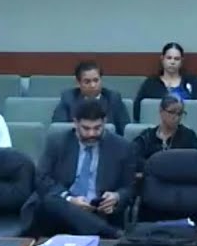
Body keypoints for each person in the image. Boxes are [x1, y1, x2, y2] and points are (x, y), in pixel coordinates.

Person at [21, 99, 136, 238]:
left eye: (97, 128)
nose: (91, 134)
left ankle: (101, 229)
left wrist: (116, 197)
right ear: (75, 123)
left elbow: (129, 187)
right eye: (86, 128)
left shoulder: (122, 147)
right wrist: (70, 199)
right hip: (57, 214)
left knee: (59, 203)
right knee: (51, 200)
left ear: (105, 122)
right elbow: (42, 179)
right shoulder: (57, 142)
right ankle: (110, 234)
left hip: (98, 212)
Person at [133, 42, 197, 124]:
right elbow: (137, 110)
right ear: (162, 59)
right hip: (156, 125)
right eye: (169, 58)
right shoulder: (151, 83)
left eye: (176, 59)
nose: (172, 62)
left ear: (181, 61)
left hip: (187, 125)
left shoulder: (192, 82)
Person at [51, 61, 130, 135]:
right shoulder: (68, 98)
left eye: (96, 80)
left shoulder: (113, 98)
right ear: (78, 83)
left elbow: (125, 131)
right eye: (87, 82)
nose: (93, 85)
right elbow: (59, 131)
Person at [132, 95, 197, 172]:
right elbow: (135, 159)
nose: (177, 118)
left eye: (180, 113)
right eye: (172, 112)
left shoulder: (189, 137)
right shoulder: (146, 137)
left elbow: (195, 162)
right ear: (161, 111)